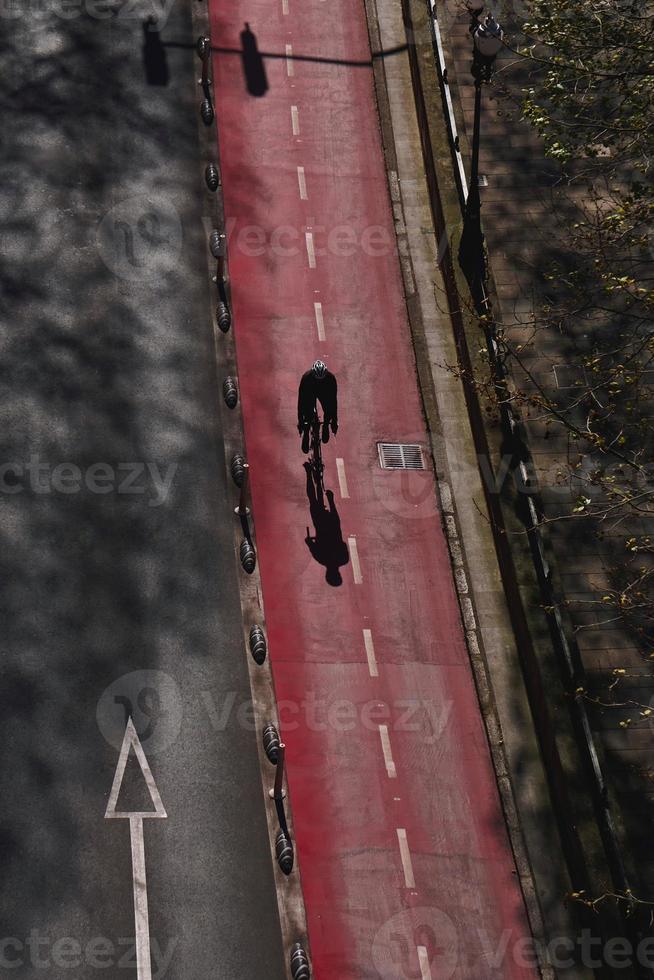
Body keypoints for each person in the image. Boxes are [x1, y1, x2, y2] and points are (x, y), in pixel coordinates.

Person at [297, 360, 338, 453]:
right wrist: (301, 422)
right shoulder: (306, 378)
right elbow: (301, 402)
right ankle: (307, 432)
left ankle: (325, 425)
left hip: (323, 391)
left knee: (329, 408)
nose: (319, 380)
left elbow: (333, 401)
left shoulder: (331, 379)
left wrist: (334, 421)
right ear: (313, 374)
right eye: (317, 378)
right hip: (309, 390)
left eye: (322, 378)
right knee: (307, 412)